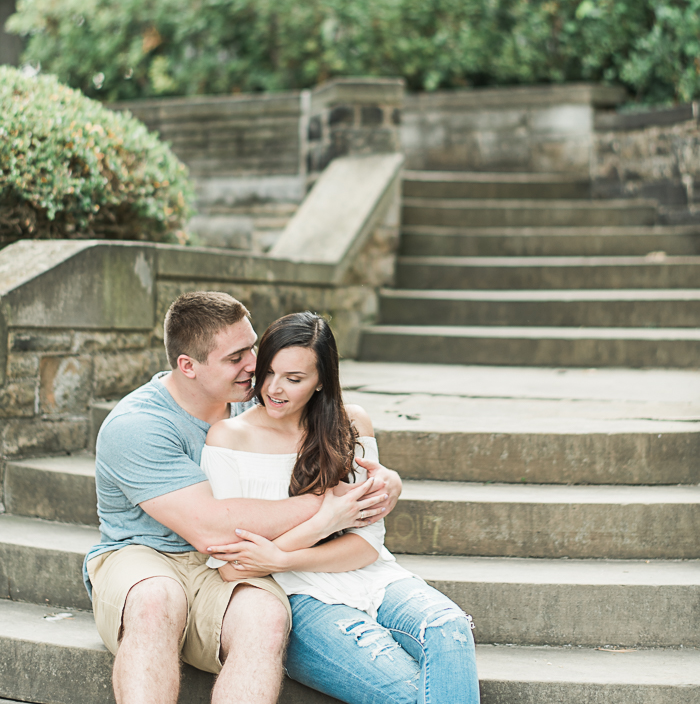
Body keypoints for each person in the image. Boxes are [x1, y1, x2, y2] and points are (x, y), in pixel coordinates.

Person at [85, 291, 402, 704]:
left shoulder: (255, 399)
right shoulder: (138, 426)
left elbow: (331, 434)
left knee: (266, 617)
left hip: (232, 565)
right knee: (155, 599)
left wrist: (384, 480)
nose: (254, 364)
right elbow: (211, 528)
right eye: (236, 357)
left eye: (251, 346)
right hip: (146, 555)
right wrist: (332, 504)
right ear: (188, 366)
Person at [202, 311, 480, 704]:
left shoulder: (351, 424)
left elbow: (367, 543)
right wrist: (323, 523)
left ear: (320, 382)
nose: (274, 389)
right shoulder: (228, 437)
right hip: (294, 598)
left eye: (294, 379)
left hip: (372, 575)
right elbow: (234, 565)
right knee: (409, 695)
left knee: (449, 625)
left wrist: (278, 555)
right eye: (268, 372)